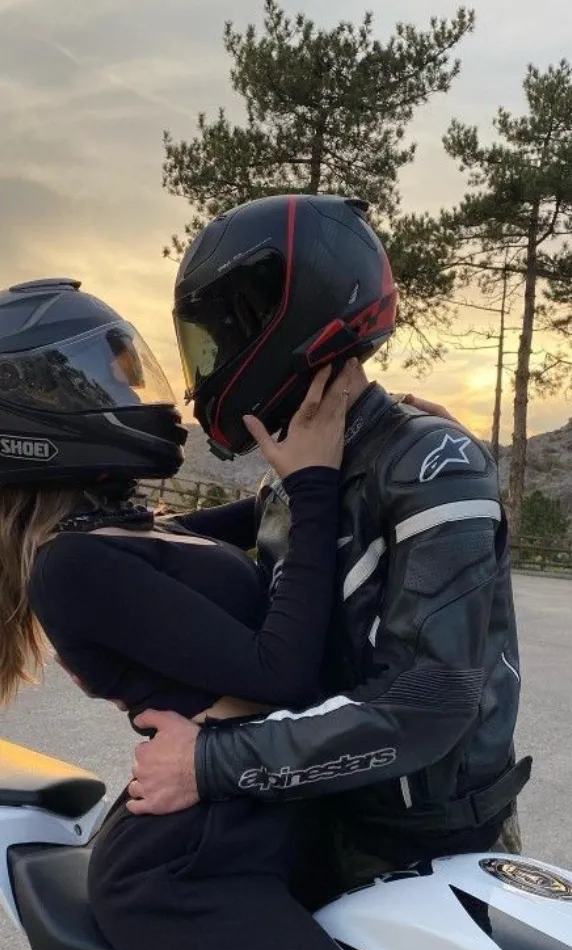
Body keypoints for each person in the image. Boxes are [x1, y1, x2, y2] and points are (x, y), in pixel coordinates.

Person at [0, 277, 390, 950]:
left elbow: (272, 510)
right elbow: (279, 669)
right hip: (190, 866)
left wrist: (379, 432)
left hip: (247, 813)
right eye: (111, 377)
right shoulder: (73, 565)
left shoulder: (126, 529)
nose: (135, 392)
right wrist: (313, 485)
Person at [130, 194, 530, 891]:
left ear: (288, 325)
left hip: (432, 848)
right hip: (323, 814)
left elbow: (430, 700)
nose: (209, 369)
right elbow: (174, 545)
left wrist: (209, 762)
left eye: (220, 339)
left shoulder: (433, 463)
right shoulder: (302, 475)